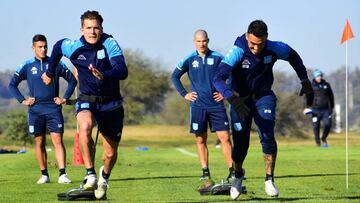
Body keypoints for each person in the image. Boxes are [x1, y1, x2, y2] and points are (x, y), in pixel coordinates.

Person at [214, 20, 314, 200]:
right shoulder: (237, 51)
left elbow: (294, 57)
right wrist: (231, 97)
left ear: (266, 38)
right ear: (246, 36)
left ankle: (269, 179)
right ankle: (237, 176)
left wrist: (305, 80)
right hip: (240, 101)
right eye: (252, 44)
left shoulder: (275, 48)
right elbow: (218, 79)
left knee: (267, 133)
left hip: (263, 97)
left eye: (259, 44)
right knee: (241, 144)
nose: (255, 48)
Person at [41, 10, 128, 199]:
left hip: (111, 103)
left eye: (96, 27)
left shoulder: (110, 44)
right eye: (88, 28)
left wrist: (105, 75)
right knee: (85, 126)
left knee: (110, 153)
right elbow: (57, 47)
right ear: (82, 29)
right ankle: (90, 174)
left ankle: (104, 177)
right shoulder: (73, 47)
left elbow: (122, 70)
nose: (92, 31)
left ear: (101, 29)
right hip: (87, 99)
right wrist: (49, 72)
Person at [8, 34, 77, 184]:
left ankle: (62, 174)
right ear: (33, 48)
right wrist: (23, 100)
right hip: (35, 110)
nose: (43, 49)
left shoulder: (56, 63)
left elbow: (72, 80)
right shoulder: (26, 65)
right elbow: (12, 85)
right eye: (40, 47)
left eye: (45, 46)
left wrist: (64, 98)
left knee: (57, 140)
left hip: (54, 109)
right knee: (39, 141)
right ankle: (44, 175)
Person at [171, 30, 234, 190]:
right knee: (200, 139)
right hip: (198, 106)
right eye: (199, 41)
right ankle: (205, 173)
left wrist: (225, 92)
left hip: (216, 105)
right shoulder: (189, 59)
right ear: (194, 42)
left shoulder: (219, 57)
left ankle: (233, 172)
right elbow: (174, 76)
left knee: (225, 137)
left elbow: (232, 74)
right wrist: (185, 94)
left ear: (208, 40)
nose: (202, 44)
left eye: (204, 41)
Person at [303, 69, 334, 148]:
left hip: (326, 110)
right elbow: (307, 97)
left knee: (328, 124)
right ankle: (317, 143)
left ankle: (323, 138)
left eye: (320, 76)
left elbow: (331, 97)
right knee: (316, 127)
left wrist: (331, 108)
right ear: (315, 77)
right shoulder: (311, 85)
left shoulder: (326, 85)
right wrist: (306, 107)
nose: (319, 77)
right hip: (315, 110)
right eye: (317, 76)